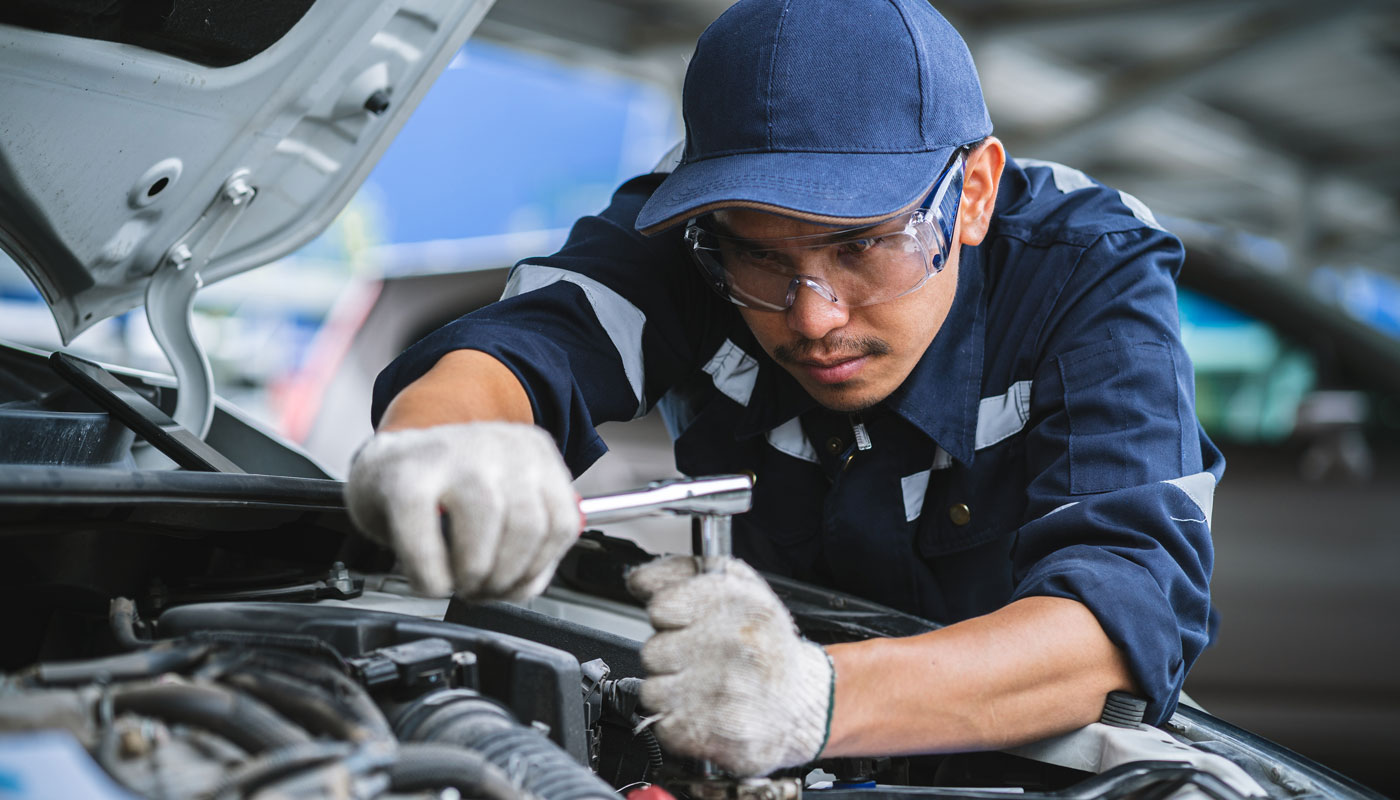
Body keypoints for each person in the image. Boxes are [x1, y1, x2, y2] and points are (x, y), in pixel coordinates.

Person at [346, 0, 1222, 779]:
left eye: (863, 245)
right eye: (763, 257)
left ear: (976, 192)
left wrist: (813, 699)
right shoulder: (699, 227)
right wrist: (443, 437)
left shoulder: (1086, 268)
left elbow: (1123, 612)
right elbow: (527, 342)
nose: (811, 316)